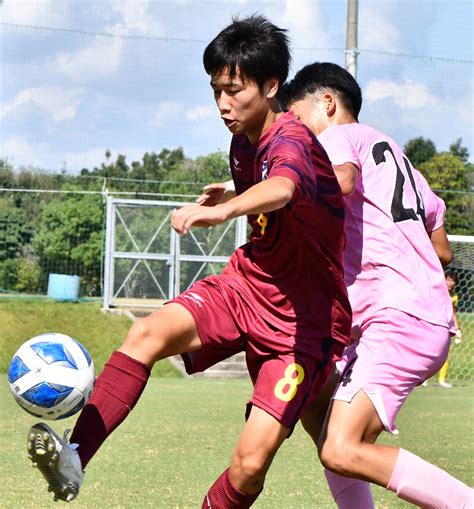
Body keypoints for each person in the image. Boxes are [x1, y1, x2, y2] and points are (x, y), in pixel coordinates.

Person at [26, 17, 352, 507]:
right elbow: (269, 184)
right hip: (247, 285)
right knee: (145, 335)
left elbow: (283, 186)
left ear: (271, 86)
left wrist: (222, 209)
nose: (223, 104)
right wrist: (233, 189)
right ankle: (73, 457)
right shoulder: (243, 139)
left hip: (302, 326)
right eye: (216, 90)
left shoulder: (292, 138)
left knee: (249, 466)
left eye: (235, 90)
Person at [278, 62, 473, 509]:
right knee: (315, 409)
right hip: (413, 315)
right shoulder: (400, 161)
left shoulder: (336, 137)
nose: (294, 132)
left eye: (296, 118)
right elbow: (441, 250)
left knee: (340, 447)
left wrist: (254, 191)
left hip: (398, 315)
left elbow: (340, 180)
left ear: (327, 104)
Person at [437, 271, 463, 388]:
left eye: (452, 281)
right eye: (448, 279)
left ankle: (442, 381)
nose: (450, 282)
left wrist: (457, 329)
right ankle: (423, 380)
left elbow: (453, 313)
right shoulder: (437, 292)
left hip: (446, 327)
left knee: (444, 354)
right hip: (433, 324)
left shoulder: (454, 297)